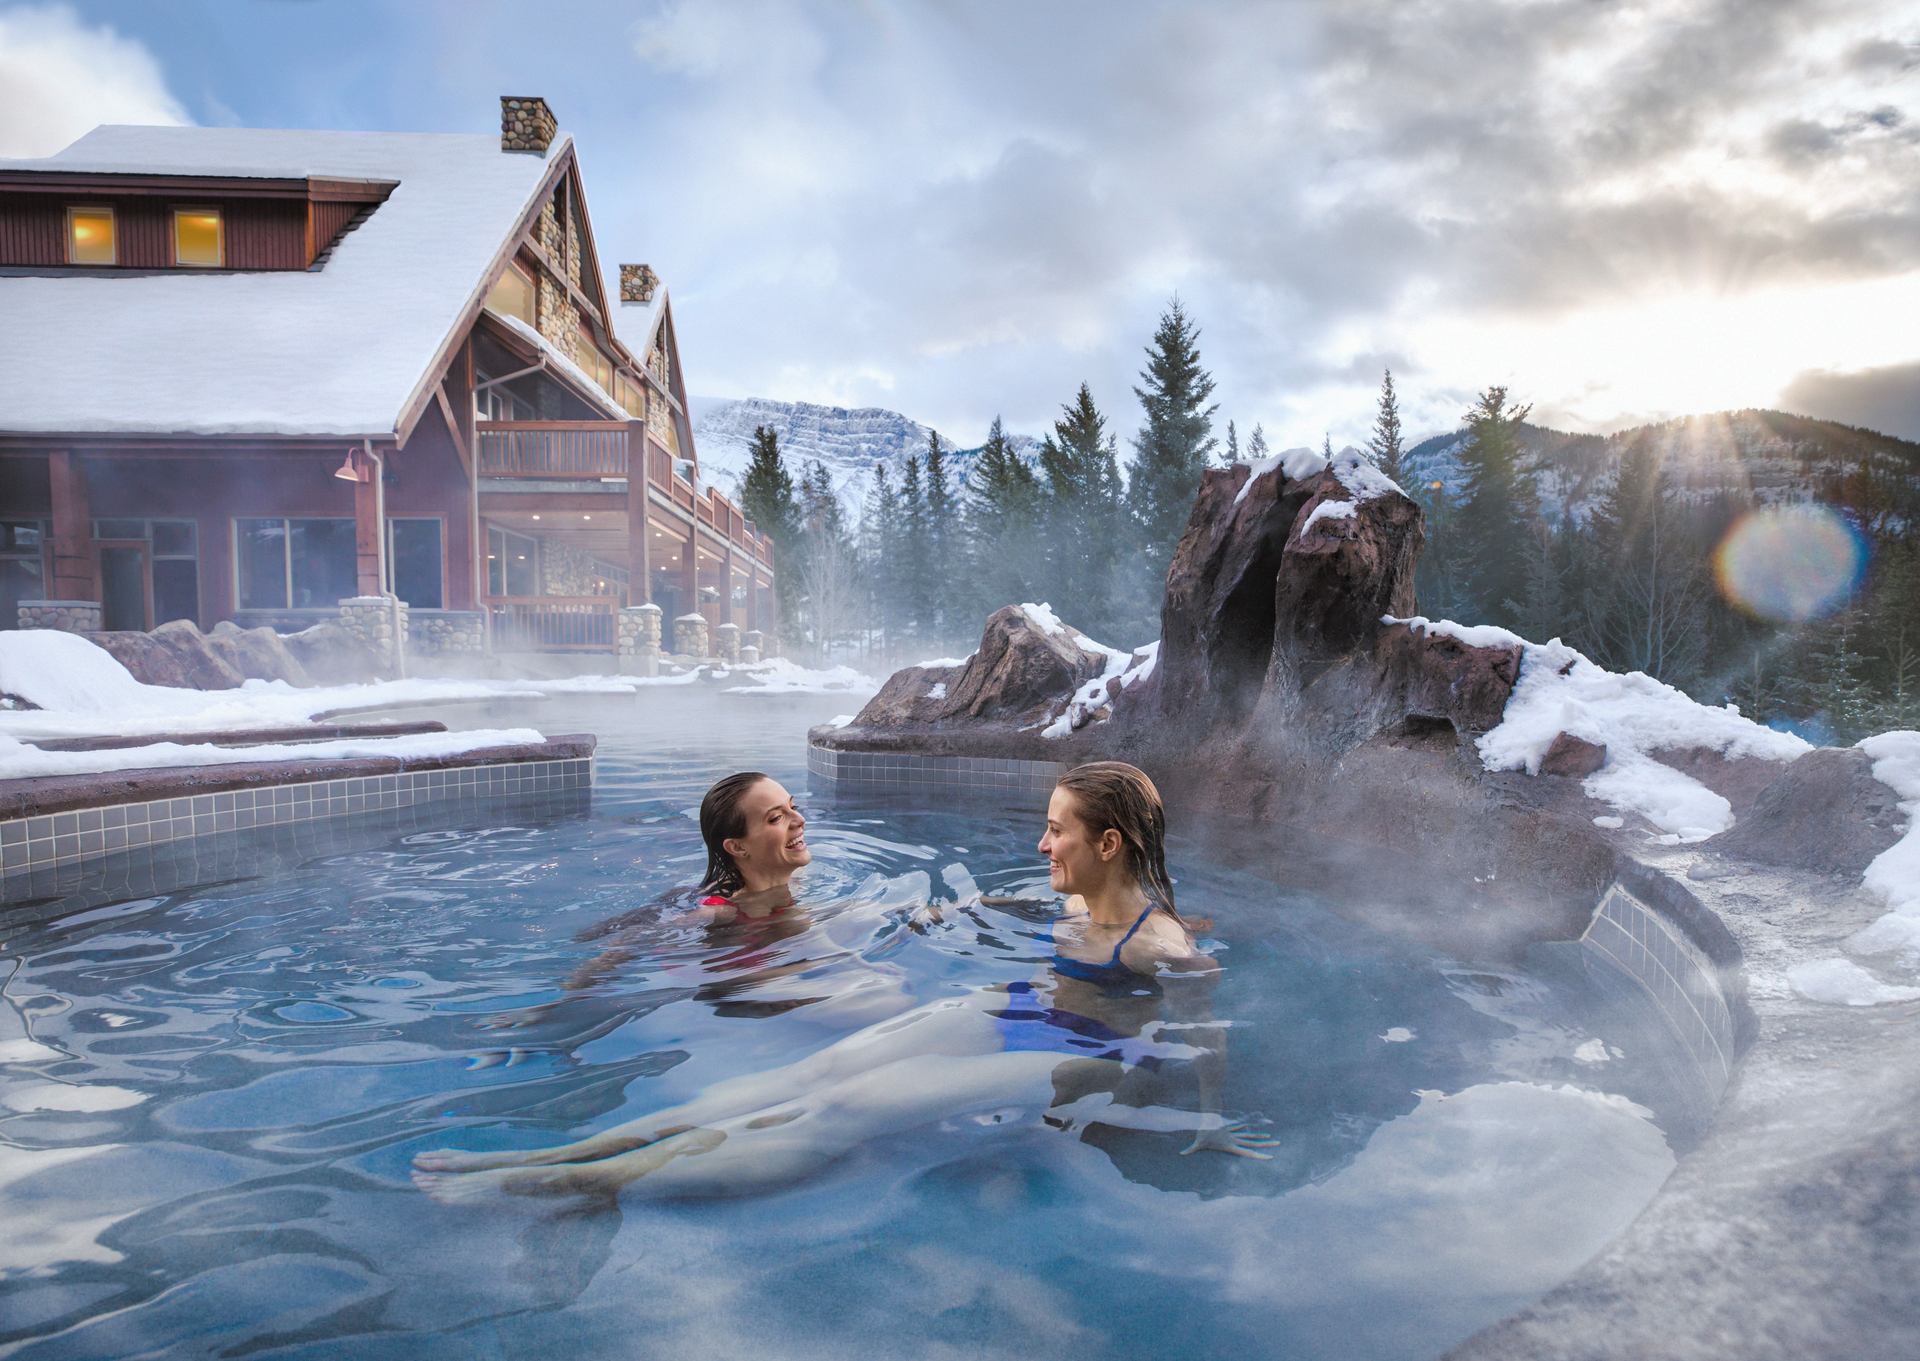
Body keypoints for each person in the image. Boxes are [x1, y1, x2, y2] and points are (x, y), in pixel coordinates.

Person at [411, 761, 1270, 1203]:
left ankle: (579, 1182)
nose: (1043, 845)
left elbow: (1207, 1027)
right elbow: (1015, 894)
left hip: (1084, 1052)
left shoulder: (1157, 941)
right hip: (1018, 1009)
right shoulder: (1076, 899)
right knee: (811, 1075)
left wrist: (1209, 1125)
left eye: (1056, 831)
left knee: (845, 1110)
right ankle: (558, 1152)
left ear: (1108, 842)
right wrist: (947, 912)